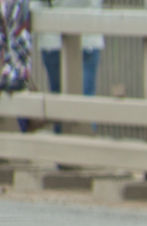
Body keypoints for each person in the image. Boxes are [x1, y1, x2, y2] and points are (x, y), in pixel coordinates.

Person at [34, 0, 104, 132]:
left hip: (52, 35)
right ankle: (86, 145)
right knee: (86, 101)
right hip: (89, 32)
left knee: (59, 101)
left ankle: (63, 145)